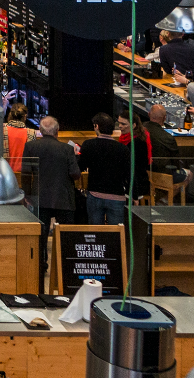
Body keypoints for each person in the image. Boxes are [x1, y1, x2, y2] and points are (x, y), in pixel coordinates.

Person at [21, 116, 81, 282]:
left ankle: (41, 266)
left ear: (40, 130)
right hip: (64, 198)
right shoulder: (67, 149)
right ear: (57, 131)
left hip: (39, 198)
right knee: (65, 237)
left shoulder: (31, 146)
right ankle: (66, 268)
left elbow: (26, 173)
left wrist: (27, 195)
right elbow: (75, 175)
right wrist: (76, 157)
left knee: (40, 236)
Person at [82, 112, 133, 225]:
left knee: (96, 234)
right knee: (116, 234)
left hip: (95, 194)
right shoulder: (123, 149)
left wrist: (76, 155)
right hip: (117, 196)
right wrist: (134, 195)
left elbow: (81, 166)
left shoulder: (88, 145)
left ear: (97, 126)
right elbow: (129, 173)